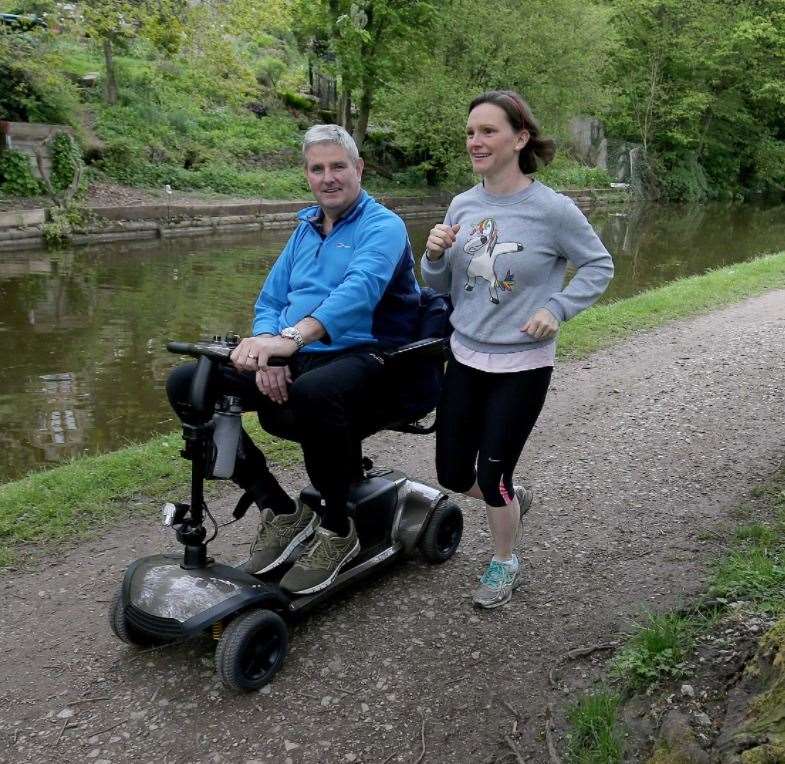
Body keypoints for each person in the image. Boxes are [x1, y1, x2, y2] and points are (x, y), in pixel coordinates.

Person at [166, 124, 420, 594]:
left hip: (370, 353)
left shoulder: (383, 226)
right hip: (298, 351)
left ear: (358, 169)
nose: (328, 177)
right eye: (317, 168)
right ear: (307, 175)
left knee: (315, 393)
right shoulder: (304, 229)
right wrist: (269, 347)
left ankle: (338, 529)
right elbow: (270, 298)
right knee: (189, 383)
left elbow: (358, 292)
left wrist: (291, 340)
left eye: (338, 166)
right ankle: (277, 507)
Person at [421, 90, 614, 609]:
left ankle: (504, 559)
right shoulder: (463, 203)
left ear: (520, 138)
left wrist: (557, 307)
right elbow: (438, 286)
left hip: (521, 365)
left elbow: (599, 266)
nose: (475, 142)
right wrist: (435, 254)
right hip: (463, 356)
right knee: (452, 475)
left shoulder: (553, 210)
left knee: (491, 473)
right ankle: (510, 499)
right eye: (470, 132)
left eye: (487, 131)